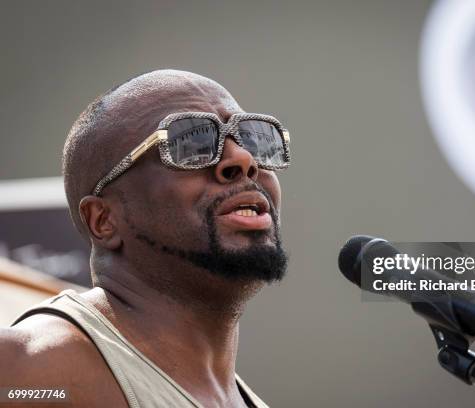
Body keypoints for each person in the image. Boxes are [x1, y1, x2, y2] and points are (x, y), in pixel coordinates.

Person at [0, 69, 291, 408]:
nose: (242, 160)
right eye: (191, 144)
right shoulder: (28, 369)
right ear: (104, 220)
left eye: (254, 138)